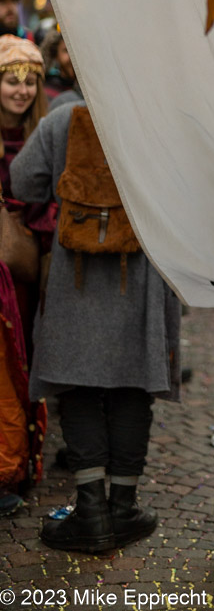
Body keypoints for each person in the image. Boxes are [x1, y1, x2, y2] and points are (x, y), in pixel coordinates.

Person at [10, 98, 182, 551]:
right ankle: (123, 509)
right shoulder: (160, 116)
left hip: (78, 276)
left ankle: (90, 513)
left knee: (77, 386)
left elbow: (24, 181)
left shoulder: (65, 118)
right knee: (133, 385)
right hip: (142, 272)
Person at [0, 35, 53, 516]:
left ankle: (17, 465)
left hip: (26, 272)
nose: (21, 90)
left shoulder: (43, 135)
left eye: (30, 81)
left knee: (24, 368)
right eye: (11, 80)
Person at [40, 29, 77, 104]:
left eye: (76, 49)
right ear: (56, 55)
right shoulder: (47, 90)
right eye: (66, 50)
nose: (73, 56)